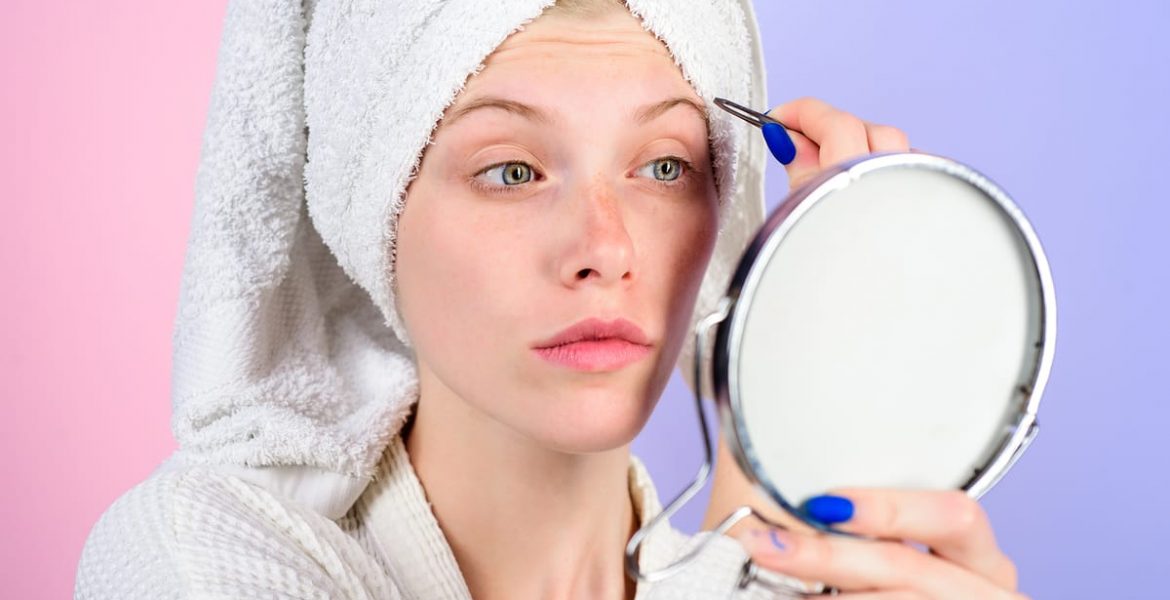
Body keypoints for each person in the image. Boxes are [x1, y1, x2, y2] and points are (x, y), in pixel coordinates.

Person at [76, 0, 1024, 598]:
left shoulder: (783, 580)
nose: (604, 249)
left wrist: (777, 415)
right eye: (512, 170)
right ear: (374, 215)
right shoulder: (193, 554)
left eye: (664, 166)